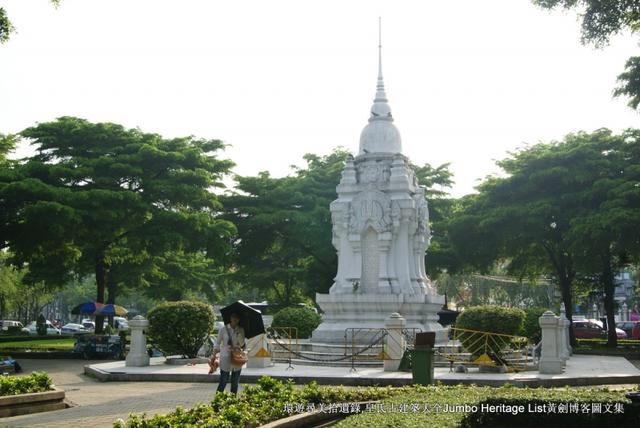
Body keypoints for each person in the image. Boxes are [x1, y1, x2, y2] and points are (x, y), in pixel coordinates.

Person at [212, 313, 246, 395]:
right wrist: (214, 355)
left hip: (237, 357)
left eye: (237, 317)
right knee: (223, 380)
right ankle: (218, 401)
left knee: (235, 383)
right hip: (225, 357)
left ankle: (232, 402)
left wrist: (239, 335)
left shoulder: (241, 330)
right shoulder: (223, 329)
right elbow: (217, 343)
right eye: (233, 316)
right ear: (230, 318)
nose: (235, 319)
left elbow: (243, 345)